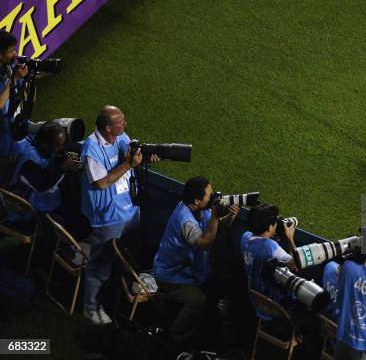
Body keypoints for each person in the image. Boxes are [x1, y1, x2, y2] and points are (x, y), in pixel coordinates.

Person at [80, 105, 158, 325]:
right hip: (108, 218)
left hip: (130, 211)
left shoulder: (121, 136)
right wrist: (128, 163)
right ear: (107, 128)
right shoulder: (91, 150)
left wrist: (143, 157)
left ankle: (118, 301)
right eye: (120, 122)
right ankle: (90, 308)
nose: (125, 125)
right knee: (100, 265)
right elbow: (102, 182)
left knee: (129, 259)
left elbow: (129, 154)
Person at [153, 176, 239, 353]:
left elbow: (214, 227)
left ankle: (207, 335)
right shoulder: (185, 220)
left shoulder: (200, 209)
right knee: (198, 301)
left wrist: (229, 216)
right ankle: (178, 337)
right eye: (209, 195)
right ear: (197, 200)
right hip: (171, 276)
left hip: (191, 272)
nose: (213, 197)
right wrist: (215, 215)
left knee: (219, 285)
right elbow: (206, 241)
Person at [10, 121, 80, 216]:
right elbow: (43, 185)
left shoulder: (45, 147)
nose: (61, 148)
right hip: (29, 205)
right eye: (58, 145)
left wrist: (64, 159)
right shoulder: (29, 159)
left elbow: (57, 156)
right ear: (45, 144)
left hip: (42, 196)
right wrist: (63, 167)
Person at [240, 203, 297, 319]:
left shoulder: (244, 237)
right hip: (274, 305)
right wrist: (290, 238)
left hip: (255, 299)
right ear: (270, 227)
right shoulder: (270, 247)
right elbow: (296, 265)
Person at [0, 31, 28, 185]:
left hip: (14, 133)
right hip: (3, 145)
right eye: (11, 50)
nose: (15, 54)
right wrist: (14, 79)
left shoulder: (8, 69)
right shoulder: (11, 74)